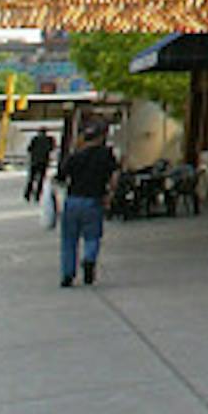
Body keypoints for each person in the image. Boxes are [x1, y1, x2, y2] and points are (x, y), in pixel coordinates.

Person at [55, 118, 118, 288]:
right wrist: (109, 195)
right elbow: (114, 177)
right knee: (92, 236)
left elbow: (60, 178)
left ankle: (67, 274)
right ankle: (89, 259)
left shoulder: (75, 156)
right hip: (93, 200)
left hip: (73, 200)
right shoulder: (106, 154)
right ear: (100, 138)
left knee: (69, 239)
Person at [23, 128, 54, 201]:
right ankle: (37, 195)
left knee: (31, 178)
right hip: (43, 162)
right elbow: (51, 149)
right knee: (41, 179)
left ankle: (27, 194)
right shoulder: (49, 139)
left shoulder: (35, 139)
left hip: (34, 161)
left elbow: (29, 149)